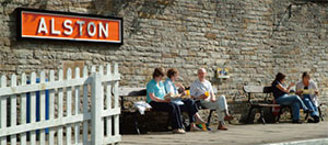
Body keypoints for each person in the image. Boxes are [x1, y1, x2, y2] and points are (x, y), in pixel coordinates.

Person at [146, 67, 186, 134]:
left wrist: (168, 97)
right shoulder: (151, 84)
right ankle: (175, 128)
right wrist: (163, 101)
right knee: (172, 106)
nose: (161, 78)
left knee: (175, 105)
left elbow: (165, 93)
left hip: (162, 101)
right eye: (161, 76)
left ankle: (180, 126)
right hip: (154, 102)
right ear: (157, 75)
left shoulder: (161, 83)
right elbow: (152, 97)